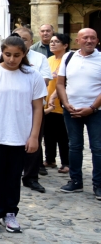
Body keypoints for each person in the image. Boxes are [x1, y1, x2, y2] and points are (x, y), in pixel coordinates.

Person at [0, 36, 46, 234]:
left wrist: (34, 136)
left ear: (24, 54)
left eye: (17, 55)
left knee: (13, 177)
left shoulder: (32, 75)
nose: (11, 59)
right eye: (7, 54)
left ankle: (10, 213)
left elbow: (37, 108)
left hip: (20, 136)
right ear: (2, 53)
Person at [0, 28, 52, 192]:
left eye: (24, 39)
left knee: (33, 141)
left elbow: (45, 80)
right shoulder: (3, 57)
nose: (20, 40)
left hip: (32, 106)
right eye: (17, 37)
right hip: (7, 106)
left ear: (30, 42)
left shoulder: (40, 58)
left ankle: (30, 177)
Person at [56, 28, 101, 199]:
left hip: (96, 111)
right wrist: (66, 103)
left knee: (97, 148)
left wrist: (92, 107)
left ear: (97, 40)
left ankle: (98, 184)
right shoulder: (68, 57)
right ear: (78, 41)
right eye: (85, 38)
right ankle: (75, 181)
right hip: (72, 110)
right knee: (74, 146)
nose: (89, 41)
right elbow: (60, 83)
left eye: (92, 38)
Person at [43, 34, 70, 174]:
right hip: (48, 104)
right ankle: (50, 159)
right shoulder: (49, 59)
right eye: (52, 42)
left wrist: (55, 96)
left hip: (61, 104)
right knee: (48, 134)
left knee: (62, 136)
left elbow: (64, 81)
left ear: (65, 45)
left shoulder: (68, 59)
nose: (52, 44)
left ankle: (66, 162)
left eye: (56, 42)